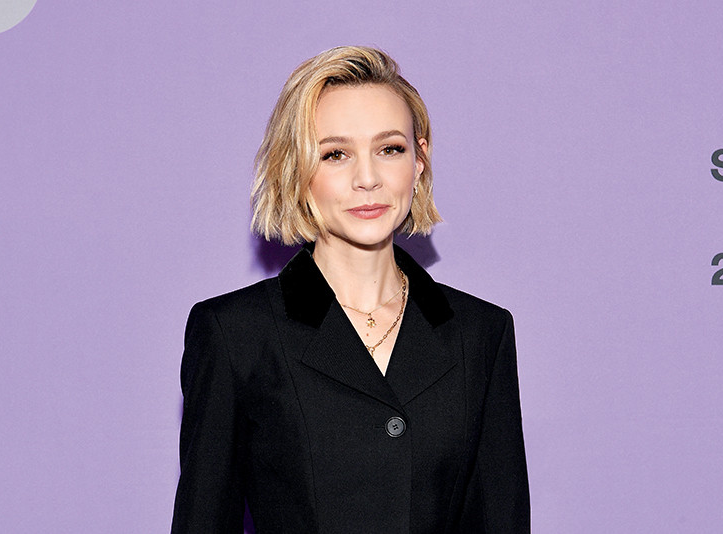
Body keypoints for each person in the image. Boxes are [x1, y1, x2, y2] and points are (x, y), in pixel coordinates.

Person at [171, 46, 530, 533]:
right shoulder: (236, 335)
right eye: (335, 154)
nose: (367, 179)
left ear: (419, 161)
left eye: (390, 149)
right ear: (296, 170)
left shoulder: (481, 333)